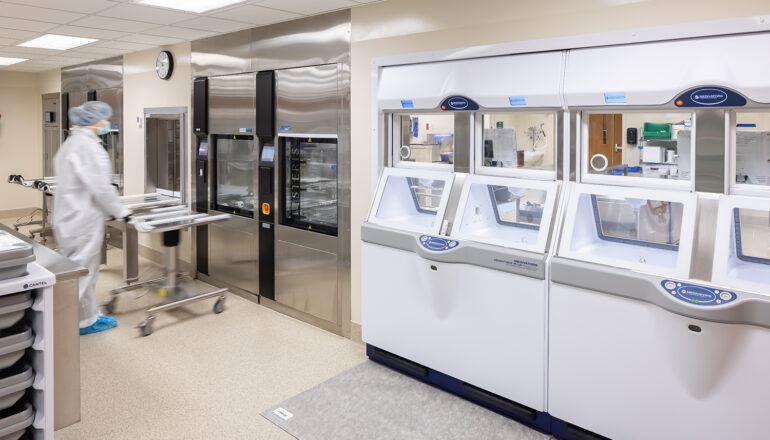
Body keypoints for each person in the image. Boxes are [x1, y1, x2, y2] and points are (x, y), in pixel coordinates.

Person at [53, 101, 131, 335]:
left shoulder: (71, 142)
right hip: (82, 219)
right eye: (104, 118)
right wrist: (122, 212)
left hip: (69, 217)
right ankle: (76, 323)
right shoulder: (88, 147)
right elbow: (101, 188)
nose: (107, 122)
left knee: (78, 270)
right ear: (95, 120)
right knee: (83, 272)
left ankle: (86, 317)